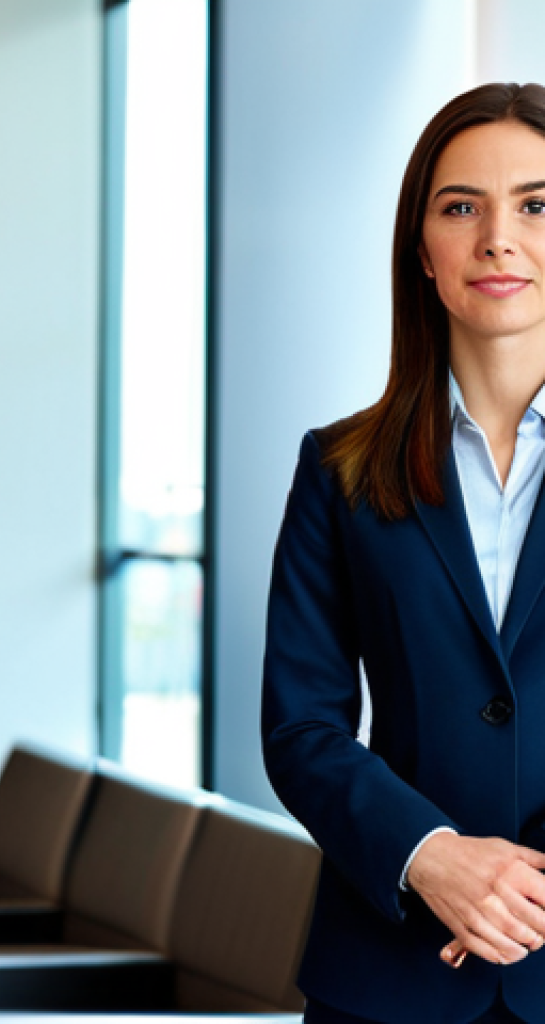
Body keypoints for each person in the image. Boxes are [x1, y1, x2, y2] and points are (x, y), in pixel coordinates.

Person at [262, 82, 545, 1024]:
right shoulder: (339, 468)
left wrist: (516, 894)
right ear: (421, 250)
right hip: (386, 976)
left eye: (537, 206)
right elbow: (302, 726)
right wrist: (433, 856)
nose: (498, 238)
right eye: (461, 206)